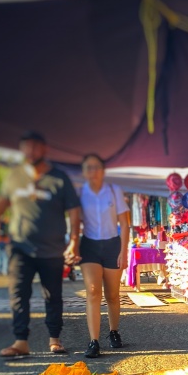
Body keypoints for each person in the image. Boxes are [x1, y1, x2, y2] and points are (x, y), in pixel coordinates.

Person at [0, 131, 81, 358]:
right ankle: (20, 341)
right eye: (26, 147)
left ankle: (55, 339)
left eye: (35, 147)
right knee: (18, 293)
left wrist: (74, 240)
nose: (30, 151)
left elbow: (74, 210)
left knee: (52, 295)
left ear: (44, 149)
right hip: (20, 247)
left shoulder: (59, 178)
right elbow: (1, 201)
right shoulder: (14, 176)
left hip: (52, 248)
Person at [68, 153, 129, 358]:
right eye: (88, 168)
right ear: (84, 172)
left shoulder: (114, 191)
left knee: (112, 295)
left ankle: (113, 332)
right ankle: (93, 341)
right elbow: (74, 222)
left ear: (103, 171)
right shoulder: (79, 193)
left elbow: (125, 223)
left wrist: (124, 251)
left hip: (112, 244)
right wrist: (73, 245)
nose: (92, 171)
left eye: (96, 167)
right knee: (93, 291)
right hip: (90, 246)